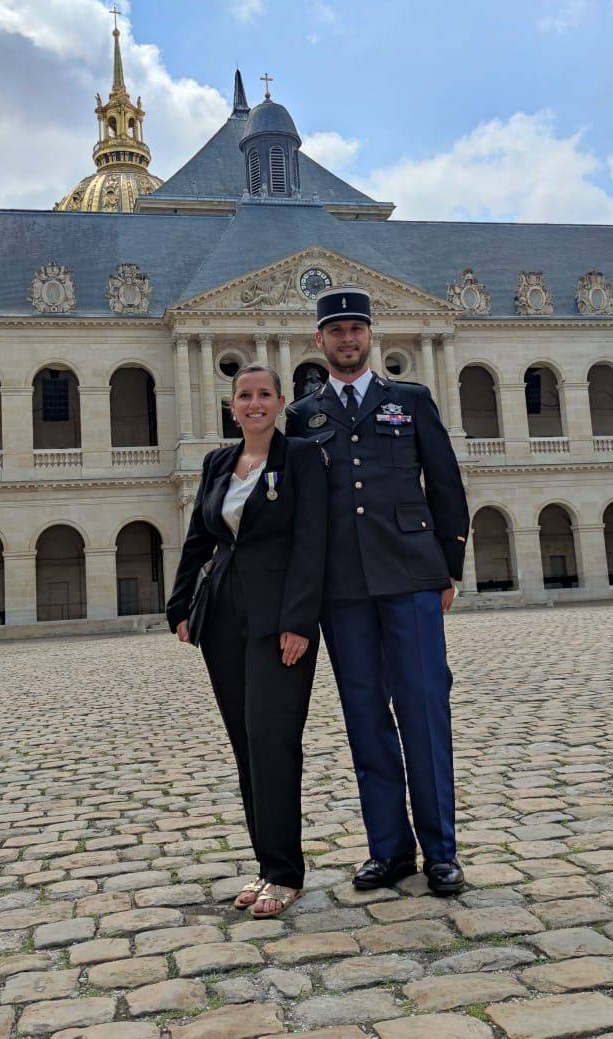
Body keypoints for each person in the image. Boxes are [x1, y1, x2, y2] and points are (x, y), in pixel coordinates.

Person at [286, 288, 469, 896]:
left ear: (371, 336)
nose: (346, 338)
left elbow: (444, 482)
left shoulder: (409, 401)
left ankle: (441, 851)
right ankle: (388, 850)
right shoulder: (303, 416)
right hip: (343, 588)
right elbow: (298, 515)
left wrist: (450, 566)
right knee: (365, 718)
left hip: (412, 576)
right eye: (335, 330)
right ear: (319, 340)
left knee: (423, 710)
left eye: (356, 328)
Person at [166, 363, 327, 917]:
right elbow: (197, 539)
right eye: (244, 395)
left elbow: (312, 542)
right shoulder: (218, 461)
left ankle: (286, 872)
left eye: (264, 394)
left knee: (273, 739)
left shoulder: (302, 458)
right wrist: (182, 606)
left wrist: (301, 621)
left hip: (279, 617)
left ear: (281, 402)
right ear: (231, 405)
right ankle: (266, 866)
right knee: (244, 742)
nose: (254, 403)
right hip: (223, 614)